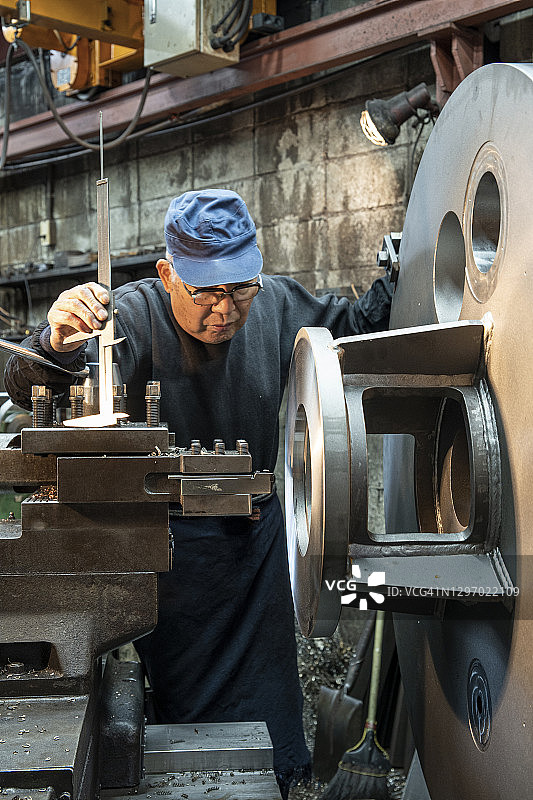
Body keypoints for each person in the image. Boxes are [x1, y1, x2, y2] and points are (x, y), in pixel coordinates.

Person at [5, 189, 392, 798]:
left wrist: (407, 265)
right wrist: (57, 343)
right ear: (168, 275)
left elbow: (357, 328)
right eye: (206, 293)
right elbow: (33, 386)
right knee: (182, 723)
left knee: (271, 714)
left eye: (240, 289)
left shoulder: (276, 304)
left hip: (254, 546)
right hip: (170, 553)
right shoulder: (131, 317)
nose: (226, 310)